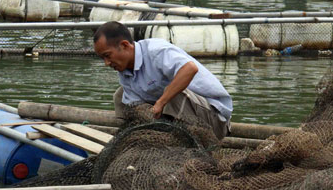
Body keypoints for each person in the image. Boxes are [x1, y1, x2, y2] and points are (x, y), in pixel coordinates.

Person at [93, 21, 233, 139]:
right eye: (102, 58)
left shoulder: (156, 50)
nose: (106, 63)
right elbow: (134, 105)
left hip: (215, 120)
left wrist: (161, 102)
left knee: (173, 93)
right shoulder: (124, 71)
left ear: (124, 45)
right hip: (181, 117)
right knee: (120, 96)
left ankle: (185, 142)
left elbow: (189, 69)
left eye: (108, 56)